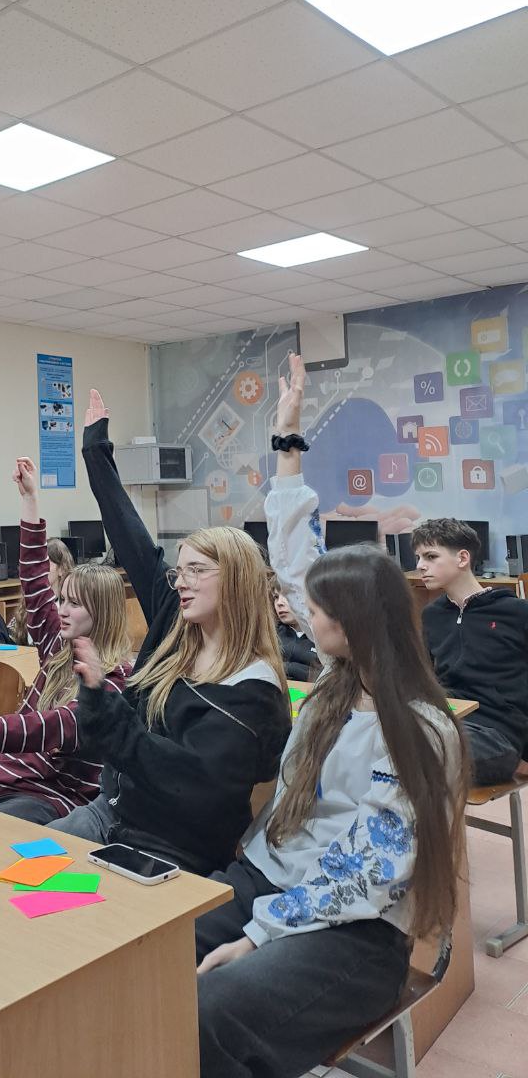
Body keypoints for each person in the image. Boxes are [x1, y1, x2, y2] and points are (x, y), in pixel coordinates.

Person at [194, 354, 468, 1078]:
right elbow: (294, 558)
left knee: (213, 1007)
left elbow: (368, 875)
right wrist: (288, 439)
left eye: (312, 609)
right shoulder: (336, 684)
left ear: (351, 622)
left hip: (354, 933)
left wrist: (259, 935)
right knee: (138, 954)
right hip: (269, 882)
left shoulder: (422, 732)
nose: (295, 610)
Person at [42, 389, 290, 877]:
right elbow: (130, 535)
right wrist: (95, 450)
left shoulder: (252, 690)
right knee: (17, 875)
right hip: (111, 814)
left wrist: (105, 703)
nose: (181, 582)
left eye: (197, 570)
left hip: (174, 848)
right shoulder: (175, 623)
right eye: (180, 570)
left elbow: (183, 782)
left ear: (236, 582)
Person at [0, 458, 131, 824]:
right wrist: (30, 499)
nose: (61, 610)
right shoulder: (59, 647)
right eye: (61, 600)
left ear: (102, 612)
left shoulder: (116, 678)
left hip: (52, 794)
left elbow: (55, 726)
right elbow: (35, 577)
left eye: (74, 603)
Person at [412, 517, 528, 785]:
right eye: (418, 557)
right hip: (446, 722)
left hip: (498, 736)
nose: (420, 566)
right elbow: (426, 679)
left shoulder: (516, 613)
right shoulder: (432, 615)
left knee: (422, 751)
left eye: (430, 556)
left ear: (462, 558)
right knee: (382, 735)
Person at [0, 537, 73, 645]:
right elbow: (13, 635)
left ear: (62, 569)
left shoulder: (68, 606)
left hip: (50, 653)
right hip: (22, 652)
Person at [271, 582, 319, 682]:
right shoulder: (270, 633)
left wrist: (286, 668)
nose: (279, 603)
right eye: (276, 597)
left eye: (286, 595)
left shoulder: (322, 636)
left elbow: (327, 676)